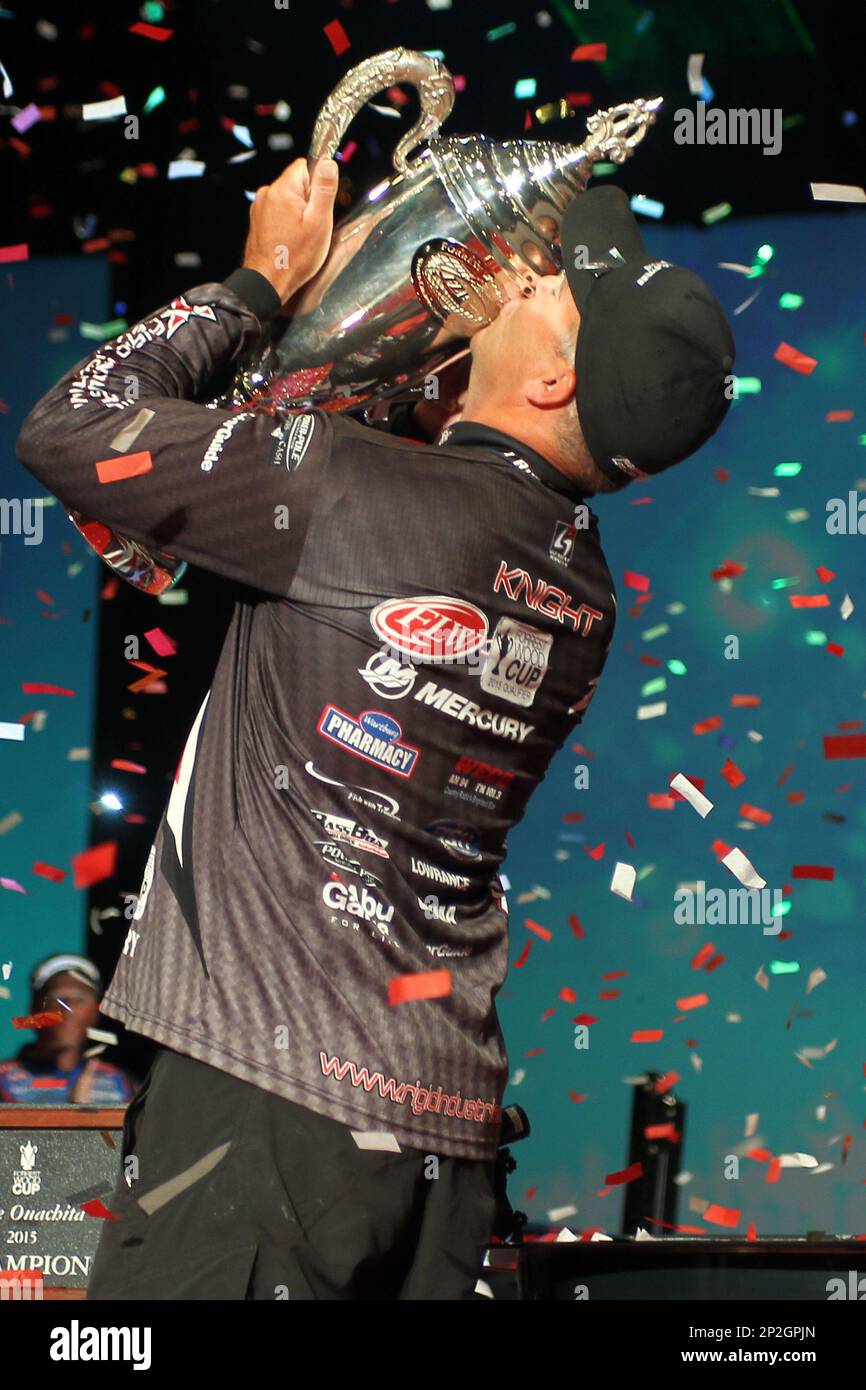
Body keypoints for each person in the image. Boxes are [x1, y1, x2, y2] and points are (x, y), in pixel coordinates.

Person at [16, 156, 734, 1299]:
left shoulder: (358, 492)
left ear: (552, 383)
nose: (522, 277)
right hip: (440, 1154)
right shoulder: (583, 587)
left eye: (551, 287)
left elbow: (71, 429)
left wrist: (262, 283)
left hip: (267, 1117)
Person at [0, 954, 133, 1104]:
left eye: (79, 999)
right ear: (34, 1009)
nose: (68, 1009)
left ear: (96, 1012)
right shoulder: (4, 1078)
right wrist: (78, 1116)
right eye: (58, 999)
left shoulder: (119, 1083)